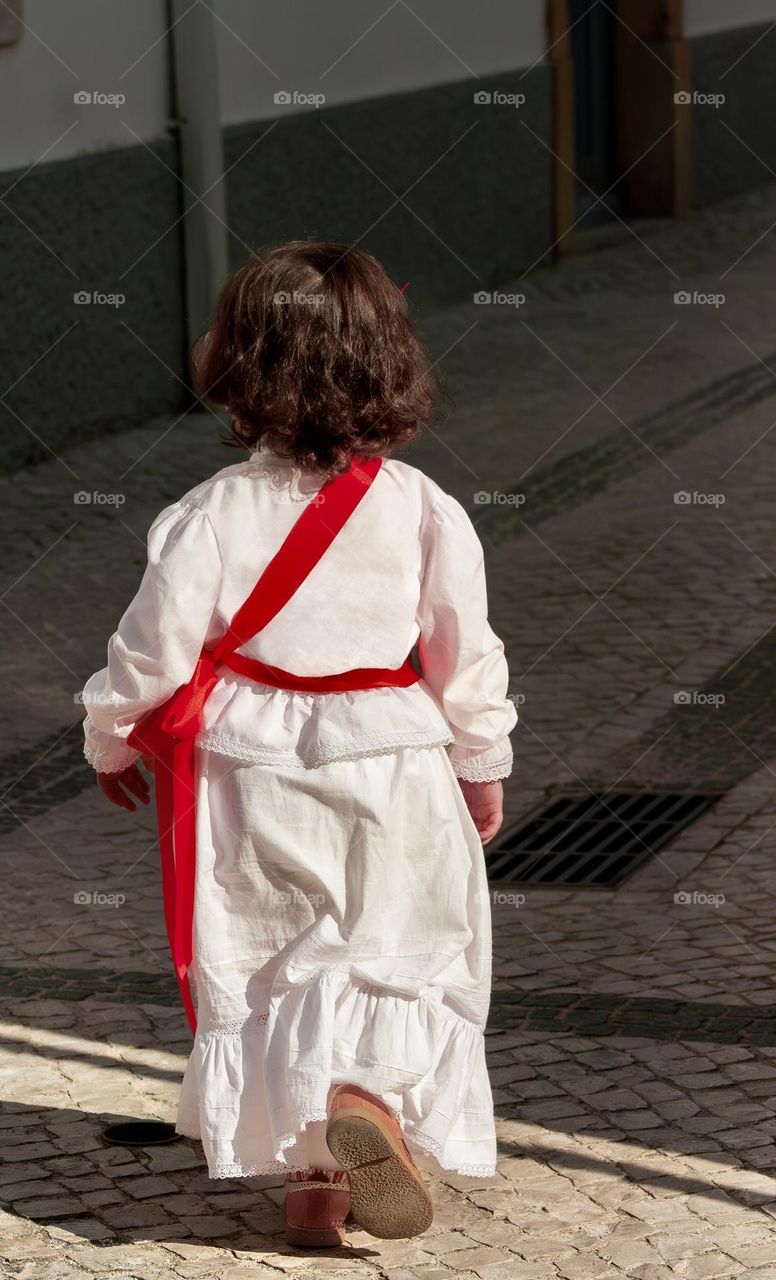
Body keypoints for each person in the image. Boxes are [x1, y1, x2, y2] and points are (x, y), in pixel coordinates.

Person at [82, 241, 517, 1248]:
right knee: (390, 944)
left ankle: (316, 1173)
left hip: (255, 760)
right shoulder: (423, 509)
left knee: (279, 953)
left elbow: (147, 654)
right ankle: (371, 1096)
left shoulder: (210, 515)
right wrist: (479, 762)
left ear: (238, 367)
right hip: (395, 750)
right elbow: (466, 652)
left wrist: (109, 739)